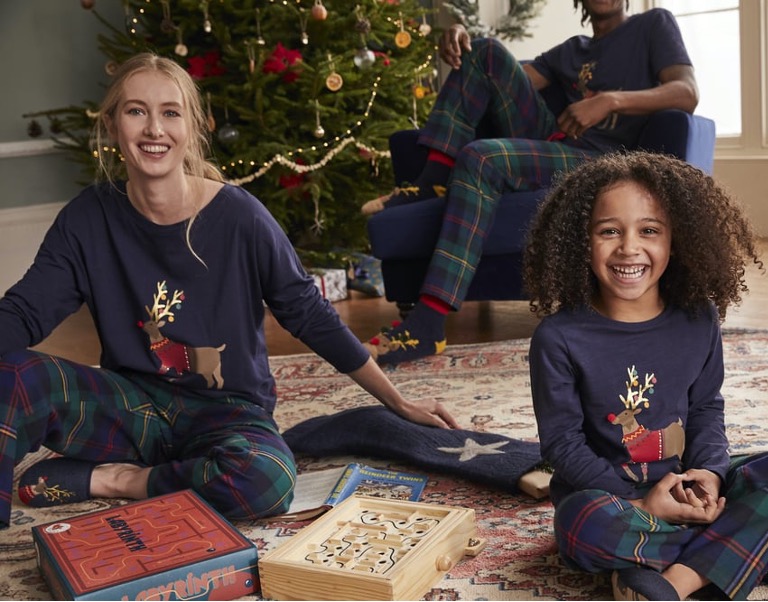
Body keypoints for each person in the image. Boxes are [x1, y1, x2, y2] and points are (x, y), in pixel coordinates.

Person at [0, 53, 458, 530]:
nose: (154, 128)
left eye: (170, 113)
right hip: (129, 409)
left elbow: (310, 314)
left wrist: (399, 402)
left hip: (228, 414)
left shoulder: (241, 217)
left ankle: (115, 481)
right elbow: (25, 312)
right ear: (113, 126)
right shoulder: (87, 218)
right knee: (11, 375)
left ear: (193, 128)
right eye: (136, 111)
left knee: (268, 480)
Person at [521, 151, 768, 601]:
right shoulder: (558, 338)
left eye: (649, 230)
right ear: (580, 242)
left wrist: (710, 475)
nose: (628, 247)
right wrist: (641, 502)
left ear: (675, 241)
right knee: (577, 525)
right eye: (608, 231)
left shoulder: (698, 320)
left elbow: (705, 409)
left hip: (688, 485)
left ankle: (672, 580)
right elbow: (563, 444)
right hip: (614, 498)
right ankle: (758, 546)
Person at [361, 0, 699, 366]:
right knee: (485, 50)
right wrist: (462, 41)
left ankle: (428, 322)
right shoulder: (572, 50)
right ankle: (430, 182)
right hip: (556, 144)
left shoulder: (652, 25)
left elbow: (686, 93)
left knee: (481, 157)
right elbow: (500, 76)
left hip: (603, 161)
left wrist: (609, 101)